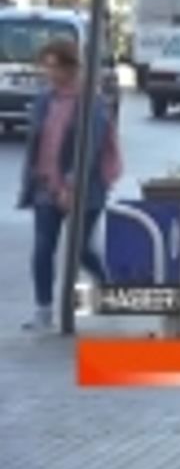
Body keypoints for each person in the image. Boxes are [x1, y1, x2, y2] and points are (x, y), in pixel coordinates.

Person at [18, 40, 121, 332]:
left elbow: (89, 148)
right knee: (42, 249)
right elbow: (37, 142)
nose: (49, 73)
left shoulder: (91, 102)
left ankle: (108, 287)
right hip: (46, 187)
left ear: (71, 67)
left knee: (81, 250)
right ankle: (43, 310)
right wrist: (34, 179)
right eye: (45, 66)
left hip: (86, 189)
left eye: (54, 67)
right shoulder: (44, 99)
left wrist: (71, 185)